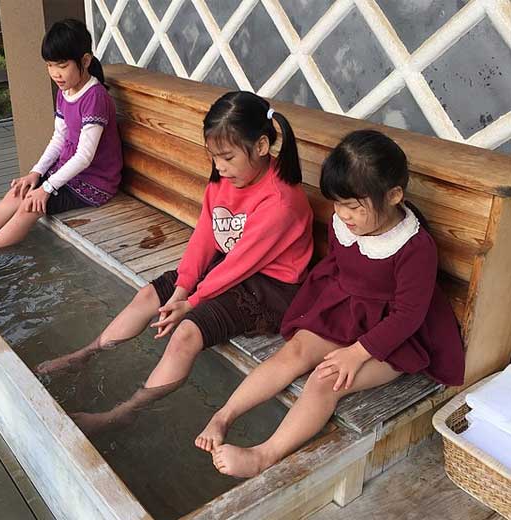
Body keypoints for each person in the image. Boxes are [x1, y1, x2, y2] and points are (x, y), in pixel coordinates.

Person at [36, 91, 314, 434]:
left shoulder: (281, 201)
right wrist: (182, 287)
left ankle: (124, 412)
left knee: (186, 333)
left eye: (226, 157)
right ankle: (87, 353)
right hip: (232, 268)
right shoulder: (226, 180)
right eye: (214, 157)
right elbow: (205, 237)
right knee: (148, 296)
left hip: (271, 289)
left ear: (260, 146)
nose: (219, 167)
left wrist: (192, 303)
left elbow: (241, 263)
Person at [197, 129, 465, 478]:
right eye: (338, 204)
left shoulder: (415, 247)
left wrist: (357, 352)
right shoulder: (345, 223)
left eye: (353, 206)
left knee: (325, 380)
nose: (344, 215)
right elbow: (340, 269)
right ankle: (224, 416)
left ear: (394, 195)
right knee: (292, 353)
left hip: (394, 337)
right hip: (348, 312)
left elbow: (408, 316)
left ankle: (264, 455)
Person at [0, 19, 122, 262]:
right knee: (17, 193)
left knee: (30, 205)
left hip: (94, 183)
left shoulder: (94, 97)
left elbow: (85, 156)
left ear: (85, 61)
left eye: (62, 66)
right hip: (68, 174)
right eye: (50, 66)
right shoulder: (66, 92)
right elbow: (59, 139)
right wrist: (35, 173)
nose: (55, 73)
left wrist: (46, 188)